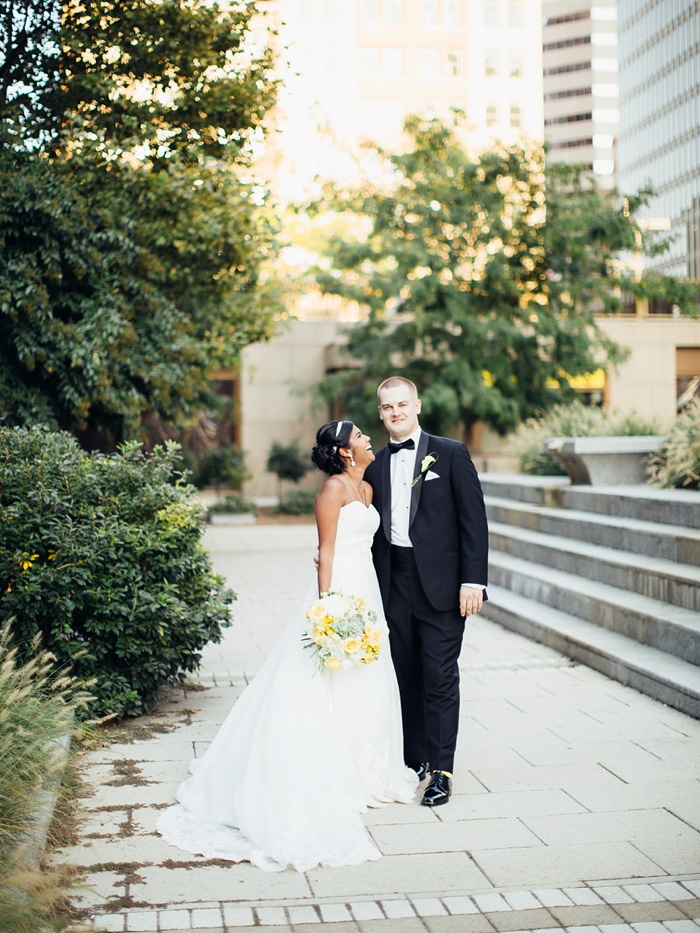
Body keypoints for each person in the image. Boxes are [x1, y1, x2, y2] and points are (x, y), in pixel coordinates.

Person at [157, 420, 417, 872]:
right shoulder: (332, 491)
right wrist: (327, 610)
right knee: (327, 679)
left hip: (369, 588)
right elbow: (328, 550)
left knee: (366, 675)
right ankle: (334, 775)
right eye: (359, 436)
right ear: (343, 452)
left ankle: (368, 771)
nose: (368, 439)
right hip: (340, 589)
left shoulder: (368, 491)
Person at [364, 376, 489, 808]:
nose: (395, 412)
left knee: (439, 677)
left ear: (417, 405)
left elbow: (474, 521)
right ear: (380, 413)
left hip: (442, 587)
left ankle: (441, 770)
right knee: (403, 675)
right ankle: (413, 759)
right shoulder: (375, 465)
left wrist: (473, 581)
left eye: (402, 404)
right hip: (393, 583)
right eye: (387, 407)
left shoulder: (451, 453)